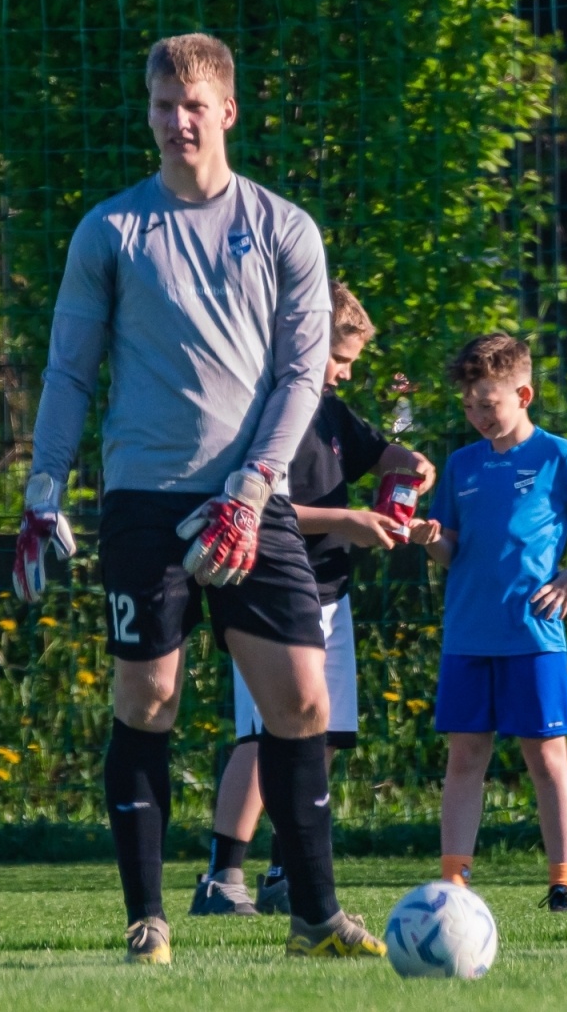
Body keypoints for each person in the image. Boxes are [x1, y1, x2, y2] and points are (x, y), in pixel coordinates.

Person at [13, 32, 386, 965]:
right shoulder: (111, 231)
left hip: (253, 502)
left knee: (301, 700)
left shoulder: (285, 228)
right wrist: (43, 489)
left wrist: (252, 491)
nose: (178, 121)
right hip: (145, 499)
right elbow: (69, 370)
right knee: (149, 699)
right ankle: (148, 919)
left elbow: (302, 377)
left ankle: (315, 919)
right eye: (162, 106)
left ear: (228, 110)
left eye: (194, 105)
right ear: (148, 113)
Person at [191, 281, 435, 917]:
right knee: (262, 736)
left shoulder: (329, 411)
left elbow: (381, 453)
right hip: (269, 589)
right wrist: (347, 521)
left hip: (331, 590)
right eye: (340, 358)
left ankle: (286, 871)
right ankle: (221, 877)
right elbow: (255, 508)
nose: (345, 373)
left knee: (319, 735)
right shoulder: (264, 412)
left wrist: (411, 463)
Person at [410, 332, 567, 911]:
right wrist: (429, 539)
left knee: (546, 757)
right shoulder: (461, 464)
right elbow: (451, 549)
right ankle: (454, 883)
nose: (478, 415)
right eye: (469, 405)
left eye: (488, 403)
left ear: (524, 395)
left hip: (533, 634)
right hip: (467, 635)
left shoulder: (558, 455)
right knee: (465, 758)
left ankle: (564, 884)